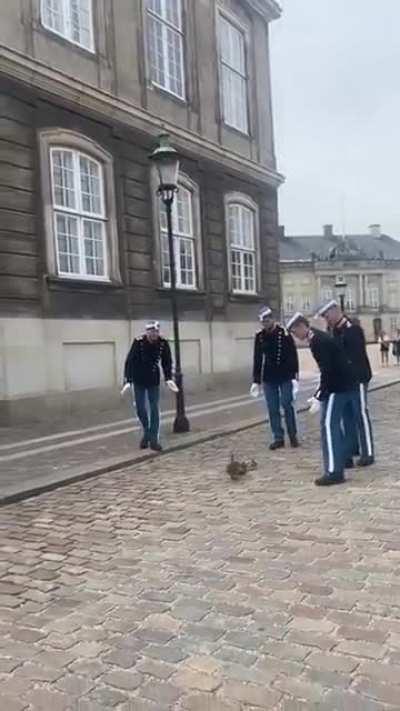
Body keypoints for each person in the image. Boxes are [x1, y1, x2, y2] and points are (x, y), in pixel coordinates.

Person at [287, 312, 358, 486]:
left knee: (328, 425)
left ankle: (334, 471)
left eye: (295, 332)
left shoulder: (317, 341)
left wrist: (320, 396)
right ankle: (343, 458)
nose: (295, 336)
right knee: (331, 424)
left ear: (301, 326)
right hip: (344, 384)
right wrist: (319, 393)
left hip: (338, 387)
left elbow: (327, 371)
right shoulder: (317, 337)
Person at [317, 301, 374, 468]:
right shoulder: (334, 331)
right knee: (347, 416)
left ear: (336, 311)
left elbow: (355, 358)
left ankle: (368, 452)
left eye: (327, 316)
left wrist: (354, 379)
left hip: (358, 379)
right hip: (345, 383)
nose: (327, 320)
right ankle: (350, 450)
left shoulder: (352, 329)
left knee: (361, 414)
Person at [123, 320, 177, 451]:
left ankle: (153, 439)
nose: (154, 334)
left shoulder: (163, 343)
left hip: (153, 379)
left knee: (154, 409)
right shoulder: (138, 342)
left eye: (156, 332)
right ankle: (147, 432)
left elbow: (167, 361)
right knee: (140, 408)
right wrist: (128, 380)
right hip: (138, 378)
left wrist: (169, 378)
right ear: (147, 332)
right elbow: (130, 361)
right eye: (151, 332)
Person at [251, 306, 299, 450]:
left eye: (267, 320)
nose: (265, 323)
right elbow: (258, 359)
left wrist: (295, 377)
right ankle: (278, 437)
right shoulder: (260, 336)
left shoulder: (284, 334)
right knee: (272, 408)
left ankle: (292, 435)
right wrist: (256, 380)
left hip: (285, 375)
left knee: (286, 404)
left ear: (272, 319)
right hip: (269, 376)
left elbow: (293, 356)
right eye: (263, 322)